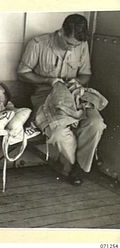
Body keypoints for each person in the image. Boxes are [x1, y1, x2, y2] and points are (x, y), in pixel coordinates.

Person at [17, 14, 107, 185]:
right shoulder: (37, 44)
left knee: (96, 123)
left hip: (75, 95)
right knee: (58, 133)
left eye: (76, 46)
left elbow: (86, 74)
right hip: (46, 96)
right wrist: (48, 80)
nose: (72, 49)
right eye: (69, 43)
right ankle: (78, 168)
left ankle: (78, 167)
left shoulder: (82, 44)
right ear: (60, 32)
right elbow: (22, 73)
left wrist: (78, 81)